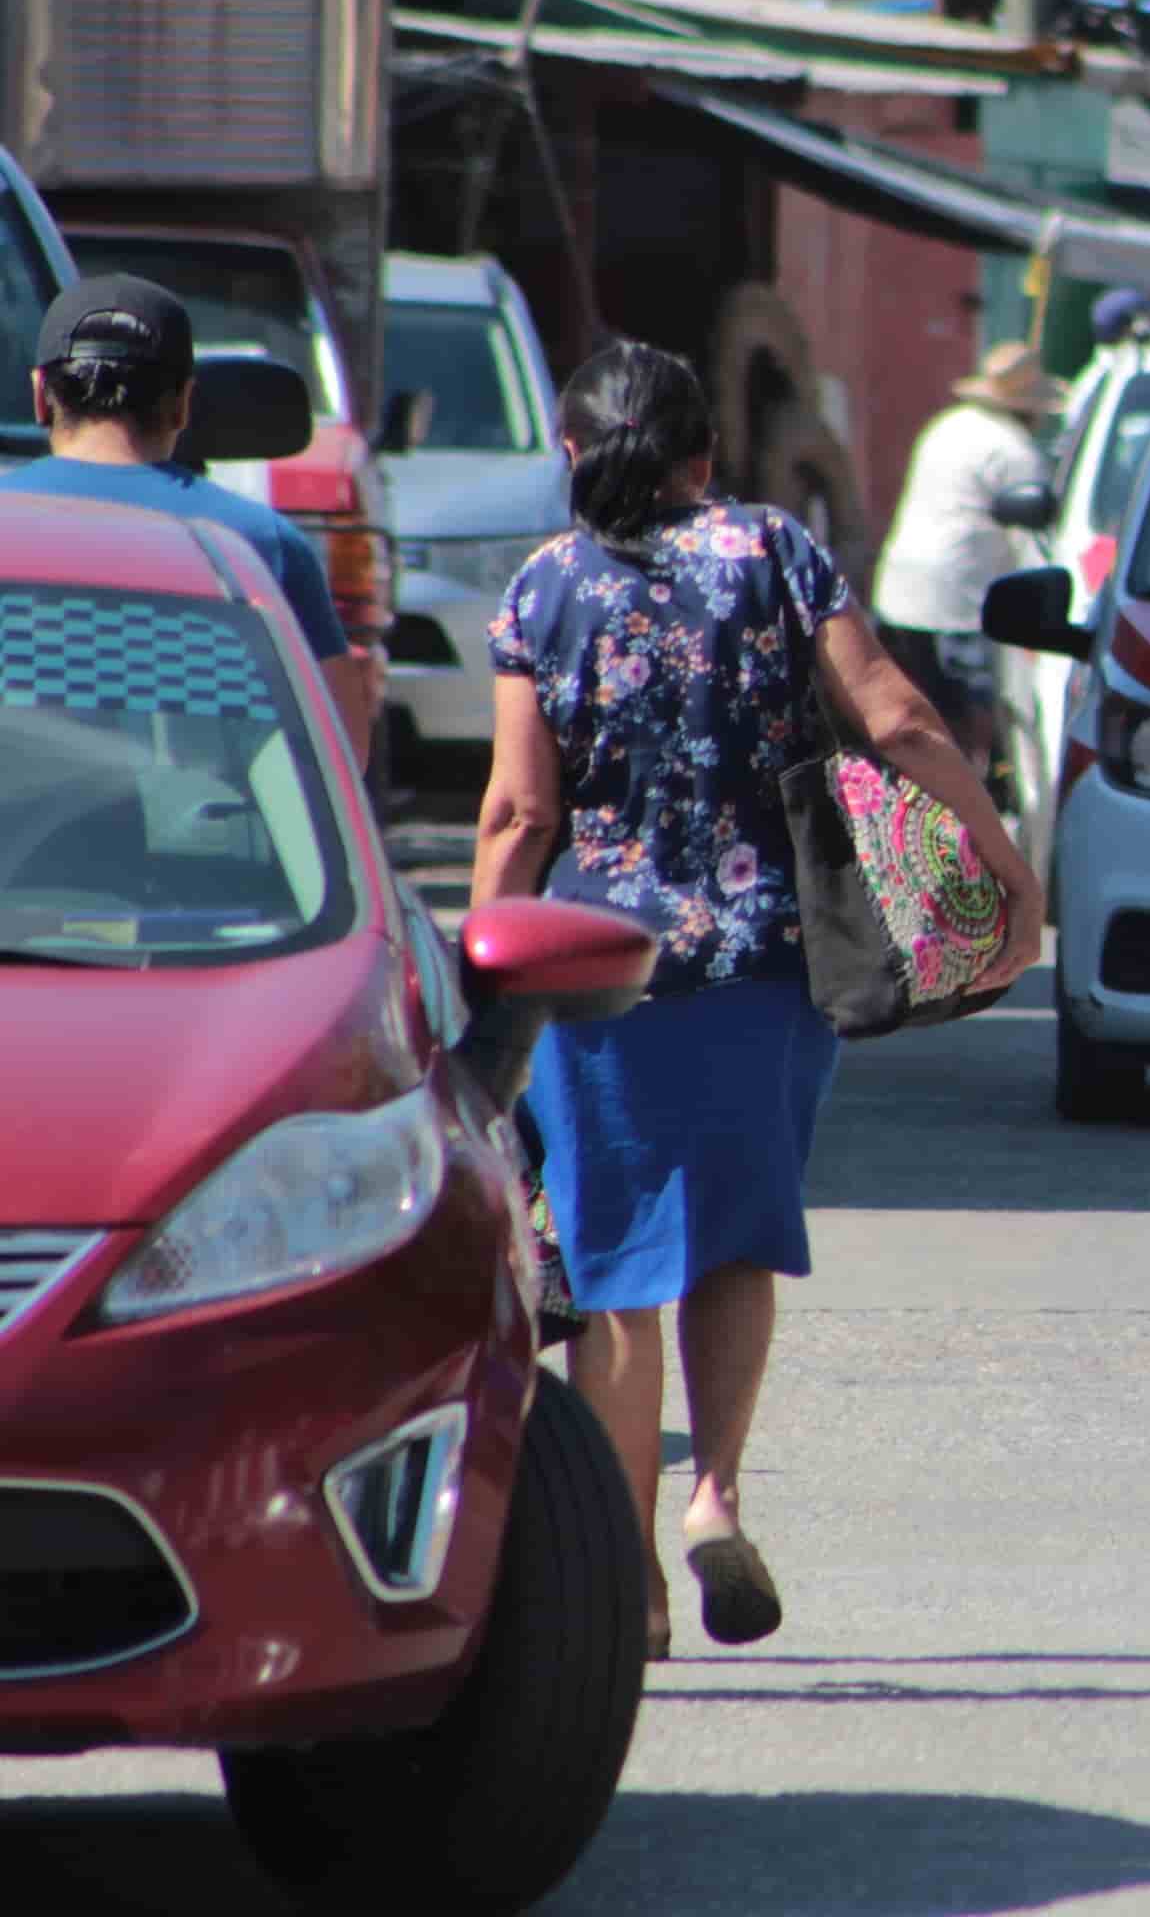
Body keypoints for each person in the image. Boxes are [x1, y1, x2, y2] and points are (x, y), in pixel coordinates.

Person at [473, 341, 1043, 1659]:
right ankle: (715, 1495)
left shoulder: (541, 590)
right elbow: (895, 716)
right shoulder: (774, 550)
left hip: (592, 969)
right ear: (704, 457)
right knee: (731, 1240)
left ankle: (629, 1589)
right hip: (767, 958)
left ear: (572, 459)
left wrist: (476, 972)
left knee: (613, 1272)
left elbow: (518, 810)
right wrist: (1003, 861)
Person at [2, 274, 372, 759]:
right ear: (182, 404)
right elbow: (343, 751)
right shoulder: (262, 545)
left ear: (39, 395)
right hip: (207, 833)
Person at [872, 340, 1058, 773]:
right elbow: (1031, 548)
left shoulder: (947, 425)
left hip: (900, 590)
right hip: (957, 604)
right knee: (962, 730)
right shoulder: (1016, 452)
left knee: (912, 723)